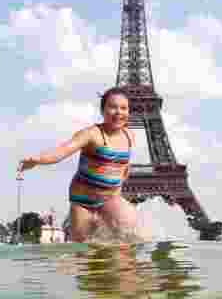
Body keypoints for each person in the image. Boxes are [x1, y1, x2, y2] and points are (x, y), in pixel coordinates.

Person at [18, 87, 137, 242]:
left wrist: (119, 185)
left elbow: (124, 166)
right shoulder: (91, 134)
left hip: (110, 198)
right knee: (83, 248)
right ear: (102, 110)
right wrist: (37, 160)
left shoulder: (129, 135)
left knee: (127, 230)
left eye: (123, 108)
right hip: (83, 202)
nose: (118, 112)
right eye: (112, 107)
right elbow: (63, 150)